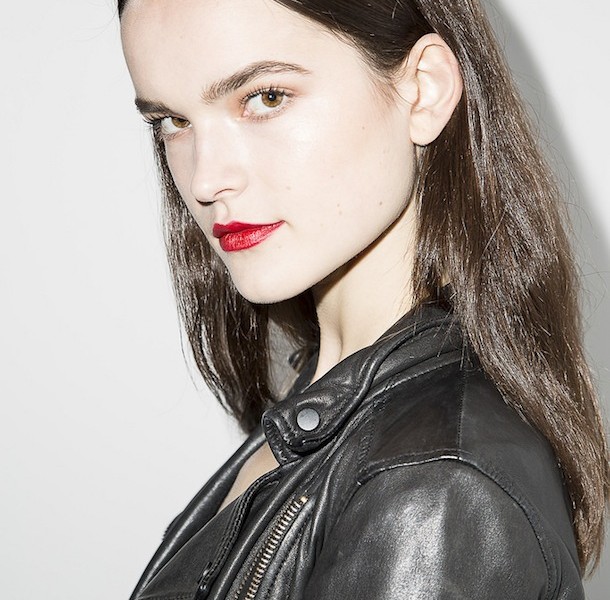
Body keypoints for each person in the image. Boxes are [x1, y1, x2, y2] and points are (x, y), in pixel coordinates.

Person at [118, 0, 609, 598]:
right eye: (172, 121)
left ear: (423, 90)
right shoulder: (327, 410)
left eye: (266, 98)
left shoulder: (433, 492)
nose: (204, 179)